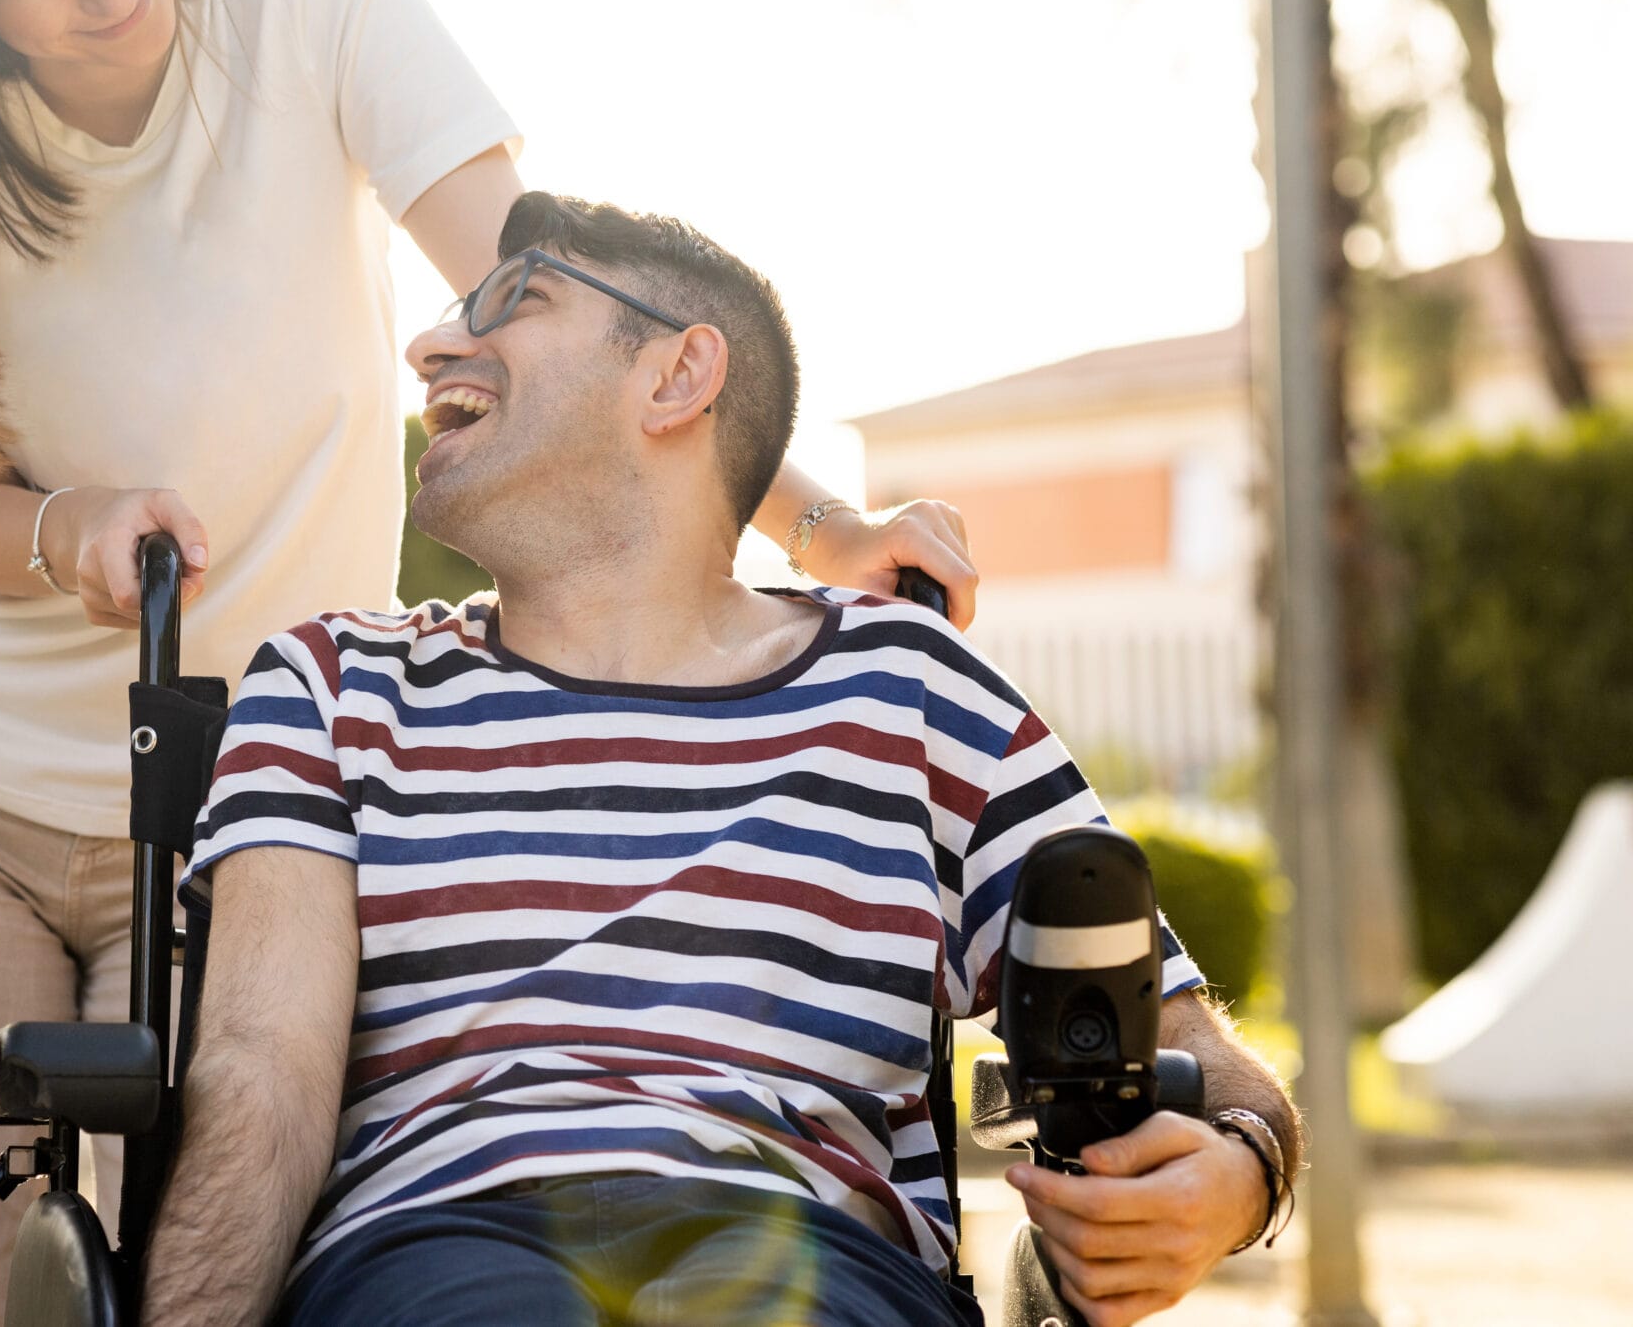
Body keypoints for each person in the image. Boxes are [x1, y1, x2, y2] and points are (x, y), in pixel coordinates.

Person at [0, 0, 980, 1326]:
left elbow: (546, 305)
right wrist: (66, 528)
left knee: (204, 1265)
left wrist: (818, 525)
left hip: (233, 795)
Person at [142, 194, 1302, 1327]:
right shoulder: (332, 687)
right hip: (447, 1238)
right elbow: (261, 1081)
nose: (433, 340)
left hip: (809, 1250)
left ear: (678, 377)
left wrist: (1236, 1175)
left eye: (515, 301)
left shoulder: (913, 691)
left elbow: (1193, 1053)